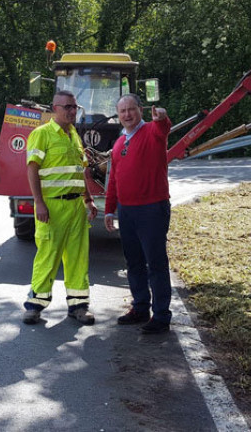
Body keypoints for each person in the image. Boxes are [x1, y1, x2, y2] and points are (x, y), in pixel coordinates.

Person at [23, 90, 98, 325]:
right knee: (47, 255)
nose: (72, 111)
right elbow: (32, 169)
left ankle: (79, 306)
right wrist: (39, 202)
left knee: (77, 258)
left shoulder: (74, 136)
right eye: (67, 107)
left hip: (75, 207)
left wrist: (88, 199)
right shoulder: (41, 134)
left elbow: (80, 173)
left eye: (74, 107)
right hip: (52, 208)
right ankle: (35, 306)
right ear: (54, 108)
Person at [104, 94, 173, 334]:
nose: (126, 115)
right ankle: (140, 307)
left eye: (130, 110)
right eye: (122, 111)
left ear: (140, 110)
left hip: (152, 208)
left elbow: (163, 127)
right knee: (133, 263)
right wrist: (109, 209)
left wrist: (162, 118)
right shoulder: (119, 142)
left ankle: (162, 316)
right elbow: (113, 179)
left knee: (155, 263)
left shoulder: (153, 132)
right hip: (127, 211)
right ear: (118, 115)